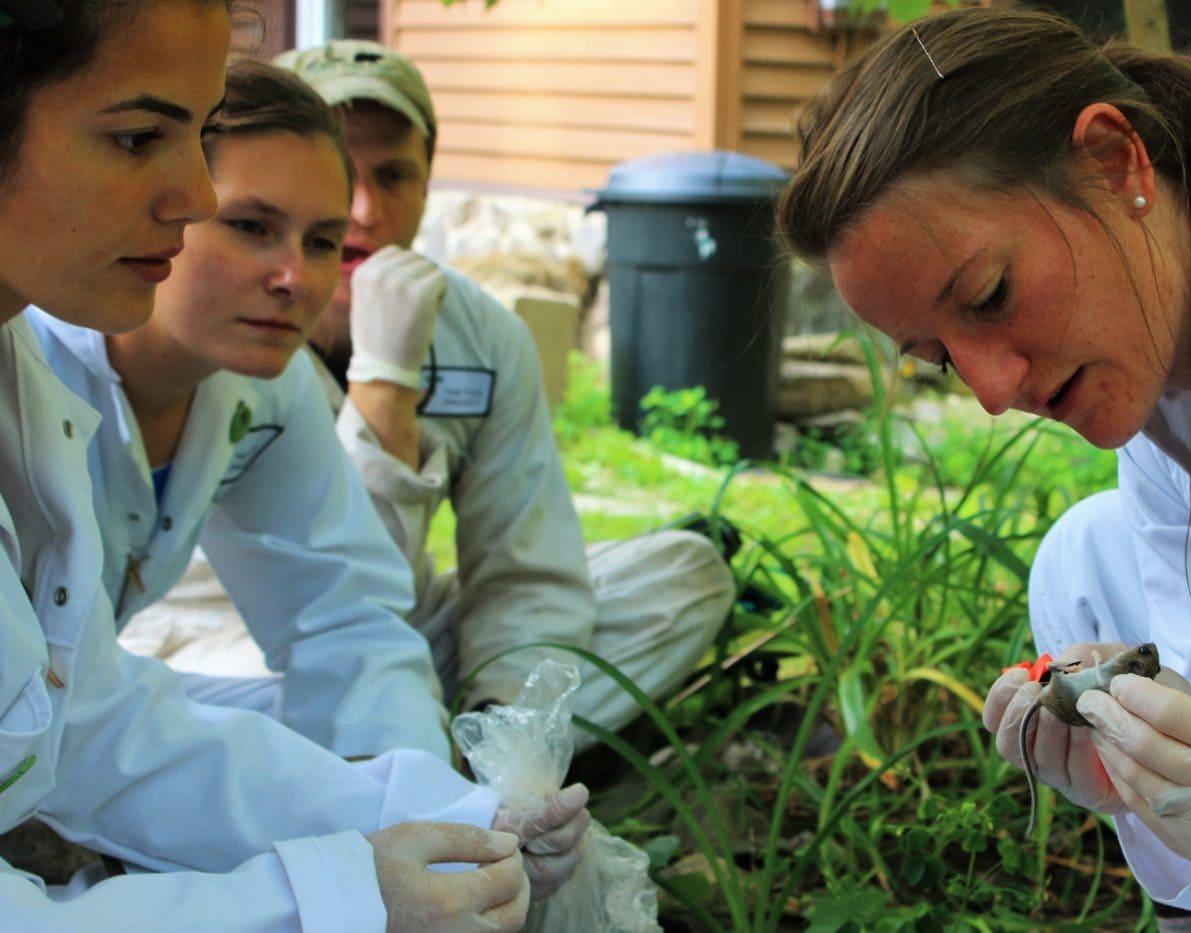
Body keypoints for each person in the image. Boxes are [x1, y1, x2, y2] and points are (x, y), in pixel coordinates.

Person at [777, 7, 1191, 931]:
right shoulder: (1167, 412)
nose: (991, 392)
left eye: (989, 296)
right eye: (938, 357)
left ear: (1116, 162)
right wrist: (1162, 783)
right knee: (1082, 561)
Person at [0, 3, 582, 927]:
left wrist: (444, 812)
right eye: (140, 136)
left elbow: (335, 613)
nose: (190, 196)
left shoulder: (34, 378)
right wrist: (327, 896)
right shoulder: (50, 352)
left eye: (321, 239)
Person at [129, 38, 737, 736]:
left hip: (401, 628)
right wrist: (386, 376)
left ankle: (463, 752)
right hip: (220, 650)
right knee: (285, 707)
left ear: (429, 184)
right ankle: (403, 756)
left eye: (394, 176)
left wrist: (513, 726)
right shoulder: (224, 323)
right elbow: (328, 586)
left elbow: (524, 569)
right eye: (255, 224)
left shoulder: (480, 334)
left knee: (681, 577)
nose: (363, 208)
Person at [30, 57, 451, 762]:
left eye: (322, 242)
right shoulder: (31, 359)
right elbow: (67, 710)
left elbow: (344, 617)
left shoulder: (265, 381)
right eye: (252, 225)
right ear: (168, 208)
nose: (295, 278)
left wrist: (429, 805)